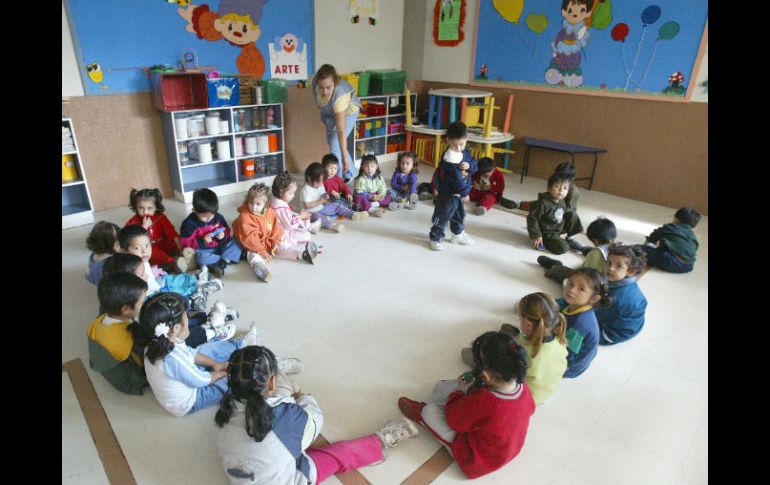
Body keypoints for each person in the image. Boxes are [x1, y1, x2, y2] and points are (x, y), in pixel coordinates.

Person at [216, 345, 418, 484]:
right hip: (290, 478)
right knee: (337, 454)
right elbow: (315, 419)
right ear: (271, 383)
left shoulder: (225, 413)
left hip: (248, 477)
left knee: (283, 442)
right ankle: (379, 442)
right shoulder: (284, 416)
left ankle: (280, 375)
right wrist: (301, 396)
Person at [398, 331, 535, 479]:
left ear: (487, 376)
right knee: (444, 388)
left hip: (478, 460)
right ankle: (451, 398)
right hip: (507, 449)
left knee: (429, 411)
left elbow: (455, 421)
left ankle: (420, 416)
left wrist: (460, 391)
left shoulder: (487, 402)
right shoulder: (524, 388)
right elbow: (529, 409)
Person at [137, 292, 258, 417]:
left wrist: (214, 363)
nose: (189, 320)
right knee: (229, 380)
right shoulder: (173, 359)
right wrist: (223, 372)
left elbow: (190, 353)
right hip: (190, 401)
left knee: (204, 349)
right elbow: (201, 380)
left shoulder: (158, 341)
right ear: (176, 328)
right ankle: (247, 369)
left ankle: (242, 343)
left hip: (185, 377)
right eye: (186, 317)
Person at [118, 224, 223, 311]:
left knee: (168, 279)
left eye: (147, 245)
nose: (144, 251)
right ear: (124, 251)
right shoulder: (127, 269)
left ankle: (196, 279)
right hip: (150, 297)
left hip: (155, 285)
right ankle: (196, 295)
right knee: (171, 299)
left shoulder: (142, 259)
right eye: (137, 248)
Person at [233, 182, 318, 283]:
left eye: (258, 204)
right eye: (251, 203)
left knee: (282, 248)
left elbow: (275, 228)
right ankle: (261, 270)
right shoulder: (245, 218)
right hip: (253, 246)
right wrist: (262, 252)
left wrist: (274, 242)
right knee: (253, 256)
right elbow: (250, 239)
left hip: (268, 242)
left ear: (266, 204)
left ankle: (302, 255)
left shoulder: (270, 212)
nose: (254, 207)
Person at [87, 272, 149, 395]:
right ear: (125, 309)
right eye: (141, 302)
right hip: (129, 380)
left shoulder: (101, 320)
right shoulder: (126, 335)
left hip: (105, 362)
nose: (144, 303)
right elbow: (143, 359)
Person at [509, 292, 567, 404]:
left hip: (526, 397)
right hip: (546, 391)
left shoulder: (525, 351)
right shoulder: (559, 340)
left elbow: (513, 372)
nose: (519, 321)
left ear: (528, 325)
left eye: (520, 318)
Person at [429, 121, 477, 251]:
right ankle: (435, 236)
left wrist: (470, 166)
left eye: (461, 144)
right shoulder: (450, 158)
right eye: (455, 145)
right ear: (448, 141)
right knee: (443, 215)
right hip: (448, 193)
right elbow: (457, 181)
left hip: (458, 193)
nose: (459, 148)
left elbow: (474, 164)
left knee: (459, 215)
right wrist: (465, 193)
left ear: (467, 139)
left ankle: (457, 234)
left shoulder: (465, 151)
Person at [312, 64, 362, 181]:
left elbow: (341, 130)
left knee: (335, 145)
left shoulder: (340, 96)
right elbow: (322, 101)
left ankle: (337, 181)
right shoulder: (315, 83)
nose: (324, 91)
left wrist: (344, 158)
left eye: (328, 87)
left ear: (334, 82)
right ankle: (352, 173)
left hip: (348, 112)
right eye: (322, 87)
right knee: (332, 143)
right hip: (329, 111)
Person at [558, 268, 610, 378]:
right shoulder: (572, 303)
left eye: (581, 289)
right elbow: (555, 304)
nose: (571, 290)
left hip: (570, 365)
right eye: (570, 284)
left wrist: (561, 367)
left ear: (594, 299)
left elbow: (569, 353)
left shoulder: (580, 324)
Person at [519, 162, 583, 252]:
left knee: (573, 215)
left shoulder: (572, 192)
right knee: (563, 248)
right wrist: (536, 234)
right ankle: (545, 239)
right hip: (547, 228)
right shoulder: (546, 199)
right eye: (557, 185)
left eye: (564, 188)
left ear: (571, 180)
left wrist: (562, 224)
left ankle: (571, 239)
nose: (561, 190)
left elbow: (569, 211)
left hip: (558, 223)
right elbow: (533, 216)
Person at [179, 188, 243, 278]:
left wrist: (223, 236)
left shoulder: (218, 217)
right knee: (200, 258)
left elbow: (226, 229)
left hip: (220, 247)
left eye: (212, 215)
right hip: (204, 251)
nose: (209, 218)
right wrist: (202, 241)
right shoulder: (189, 223)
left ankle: (218, 263)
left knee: (237, 241)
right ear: (194, 210)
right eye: (205, 217)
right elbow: (185, 243)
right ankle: (225, 260)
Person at [536, 217, 617, 284]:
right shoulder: (621, 248)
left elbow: (584, 274)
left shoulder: (594, 254)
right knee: (592, 250)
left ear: (595, 241)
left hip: (593, 284)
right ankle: (580, 248)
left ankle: (555, 266)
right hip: (609, 281)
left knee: (563, 272)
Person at [595, 245, 648, 345]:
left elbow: (595, 313)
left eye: (618, 266)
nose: (610, 268)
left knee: (578, 322)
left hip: (611, 333)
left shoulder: (618, 299)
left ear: (631, 271)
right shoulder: (620, 281)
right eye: (609, 263)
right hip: (630, 323)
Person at [125, 188, 183, 271]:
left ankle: (177, 258)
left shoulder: (160, 217)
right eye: (141, 208)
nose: (145, 212)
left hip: (163, 243)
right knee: (158, 255)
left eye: (149, 208)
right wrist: (143, 228)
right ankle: (171, 263)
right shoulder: (133, 222)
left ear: (156, 207)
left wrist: (178, 243)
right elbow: (131, 238)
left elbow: (170, 231)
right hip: (148, 248)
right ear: (135, 207)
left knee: (176, 242)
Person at [301, 163, 367, 231]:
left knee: (337, 205)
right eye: (318, 181)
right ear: (309, 178)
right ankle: (332, 226)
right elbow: (307, 206)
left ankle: (353, 214)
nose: (321, 184)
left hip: (322, 208)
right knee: (316, 216)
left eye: (322, 181)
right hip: (310, 212)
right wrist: (321, 201)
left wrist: (326, 198)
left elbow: (323, 195)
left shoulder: (320, 185)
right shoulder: (306, 190)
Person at [271, 172, 321, 256]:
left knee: (297, 216)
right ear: (281, 191)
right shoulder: (281, 207)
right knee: (306, 235)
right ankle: (310, 227)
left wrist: (296, 215)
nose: (293, 196)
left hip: (282, 228)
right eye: (290, 193)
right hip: (281, 234)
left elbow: (287, 217)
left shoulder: (274, 200)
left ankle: (309, 226)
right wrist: (301, 216)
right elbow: (289, 225)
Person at [642, 207, 700, 273]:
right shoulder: (693, 236)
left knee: (639, 248)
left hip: (672, 262)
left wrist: (645, 248)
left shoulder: (670, 227)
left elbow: (653, 237)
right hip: (689, 266)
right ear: (694, 226)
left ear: (676, 219)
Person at [85, 221, 121, 285]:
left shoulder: (94, 254)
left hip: (92, 275)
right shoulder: (112, 261)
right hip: (105, 282)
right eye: (117, 243)